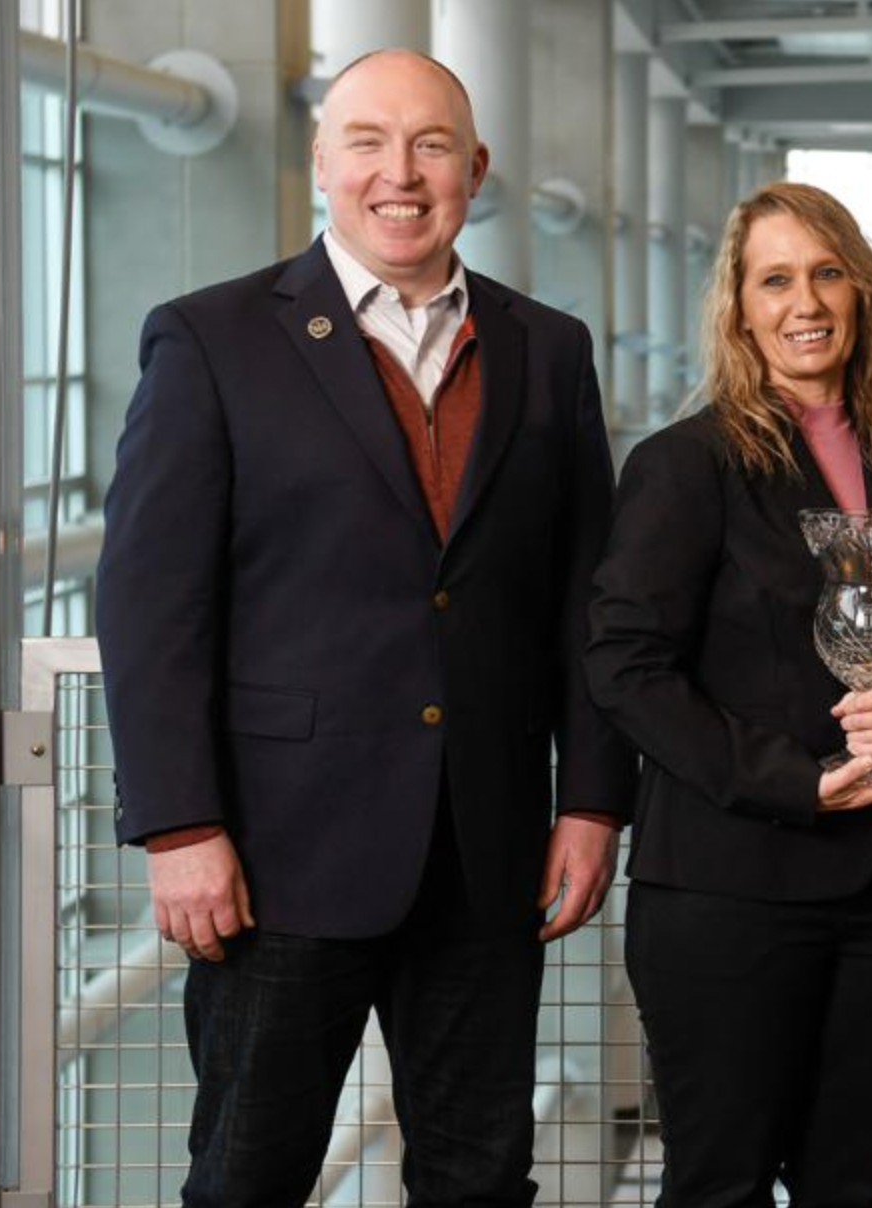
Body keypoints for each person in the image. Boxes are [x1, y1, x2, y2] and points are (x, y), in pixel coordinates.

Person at [95, 49, 634, 1205]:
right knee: (248, 1175)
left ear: (476, 169)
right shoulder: (212, 339)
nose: (402, 172)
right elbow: (151, 604)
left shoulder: (549, 349)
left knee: (481, 1178)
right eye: (370, 143)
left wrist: (590, 797)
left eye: (433, 144)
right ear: (323, 166)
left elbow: (587, 597)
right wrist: (178, 822)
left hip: (487, 854)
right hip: (276, 858)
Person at [585, 181, 872, 1207]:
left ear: (860, 291)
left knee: (851, 1182)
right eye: (775, 279)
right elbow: (625, 666)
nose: (803, 301)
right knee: (720, 1185)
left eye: (825, 272)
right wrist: (797, 782)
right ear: (740, 306)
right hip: (729, 885)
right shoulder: (686, 465)